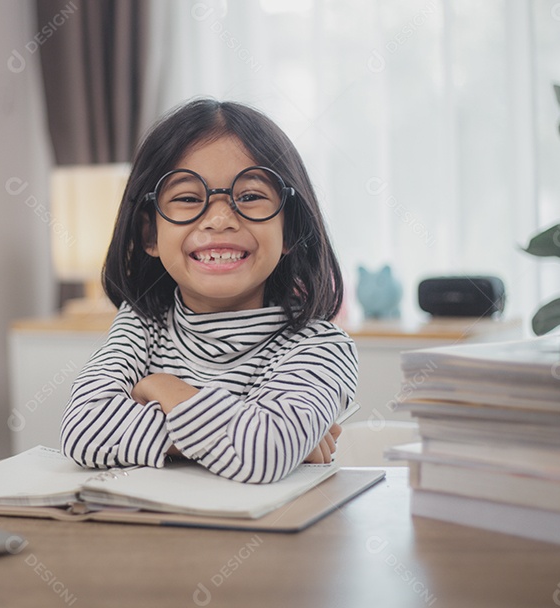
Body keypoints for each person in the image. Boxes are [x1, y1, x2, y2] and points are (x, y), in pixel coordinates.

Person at [59, 99, 355, 484]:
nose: (219, 219)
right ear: (150, 233)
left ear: (290, 230)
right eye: (187, 198)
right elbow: (83, 429)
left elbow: (263, 452)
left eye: (249, 196)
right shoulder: (141, 324)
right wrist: (246, 433)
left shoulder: (322, 347)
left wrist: (160, 387)